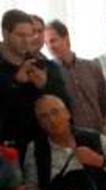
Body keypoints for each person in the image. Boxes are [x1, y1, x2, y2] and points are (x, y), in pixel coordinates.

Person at [22, 94, 106, 190]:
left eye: (55, 112)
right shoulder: (36, 149)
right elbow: (31, 186)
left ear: (67, 113)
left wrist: (100, 161)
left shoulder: (95, 139)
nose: (51, 120)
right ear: (39, 123)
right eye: (44, 116)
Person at [0, 9, 71, 164]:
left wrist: (45, 86)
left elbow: (67, 107)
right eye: (20, 35)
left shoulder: (45, 66)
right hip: (6, 153)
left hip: (42, 152)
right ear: (5, 33)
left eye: (29, 35)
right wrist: (15, 83)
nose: (27, 41)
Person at [43, 20, 106, 142]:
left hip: (102, 135)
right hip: (73, 139)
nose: (50, 47)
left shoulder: (92, 66)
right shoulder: (49, 73)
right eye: (46, 43)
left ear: (66, 39)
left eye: (53, 40)